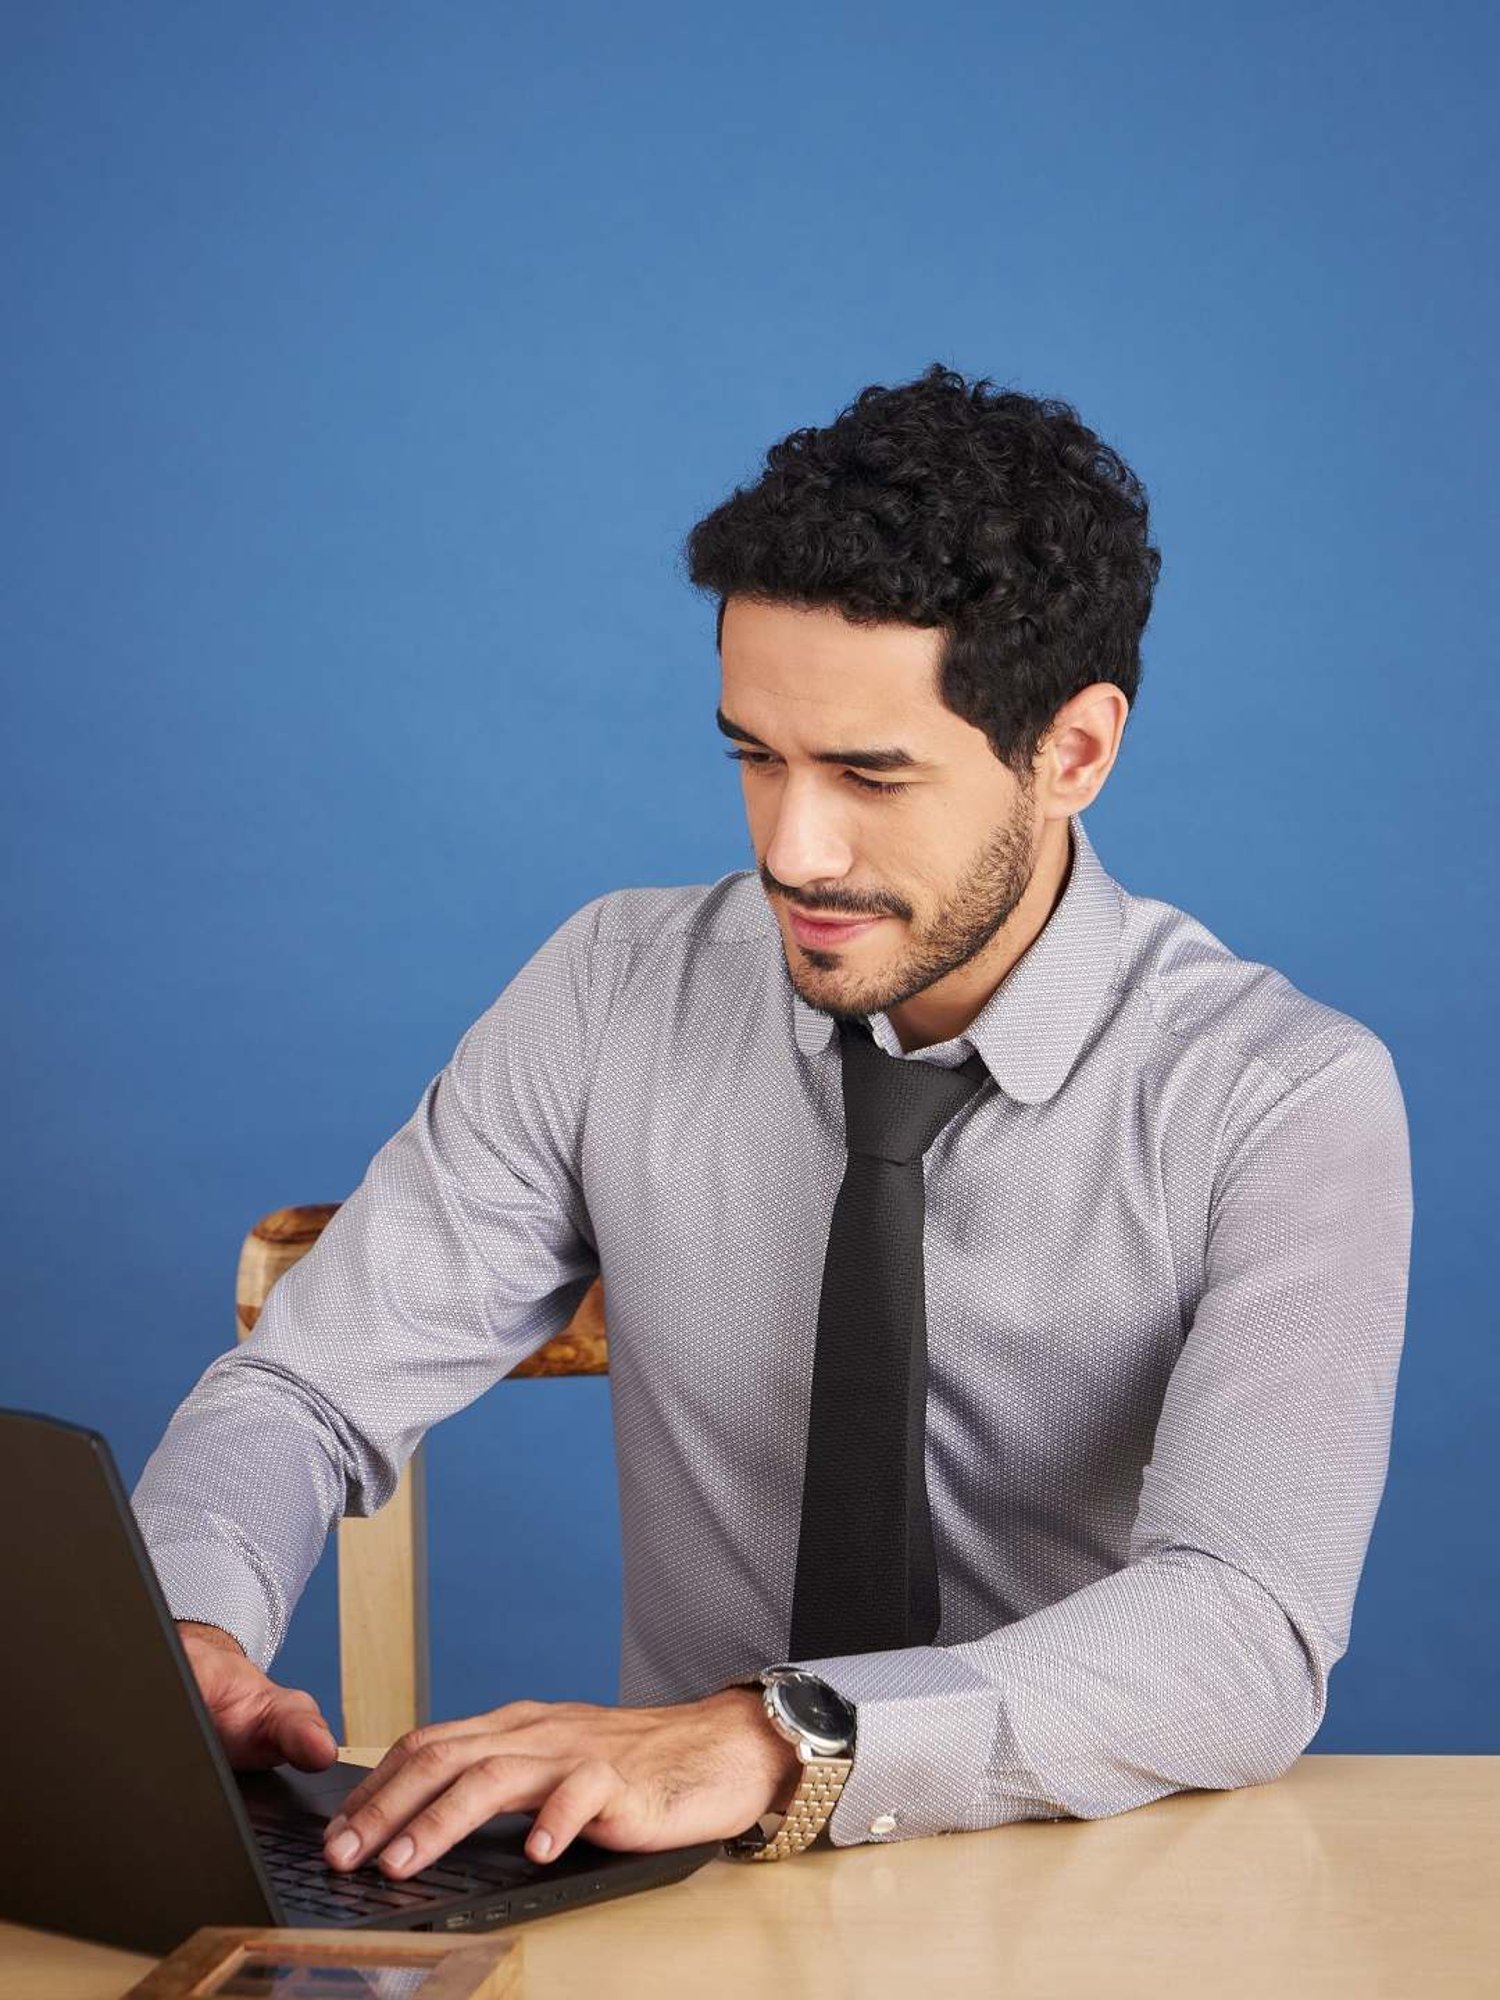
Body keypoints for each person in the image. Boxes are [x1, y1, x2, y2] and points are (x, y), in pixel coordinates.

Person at [133, 363, 1412, 1882]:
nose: (794, 850)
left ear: (1072, 752)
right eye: (756, 755)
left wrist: (777, 1736)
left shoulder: (1284, 1101)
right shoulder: (613, 988)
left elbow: (1244, 1626)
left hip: (1092, 1895)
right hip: (676, 1912)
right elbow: (306, 1395)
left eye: (873, 775)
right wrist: (188, 1629)